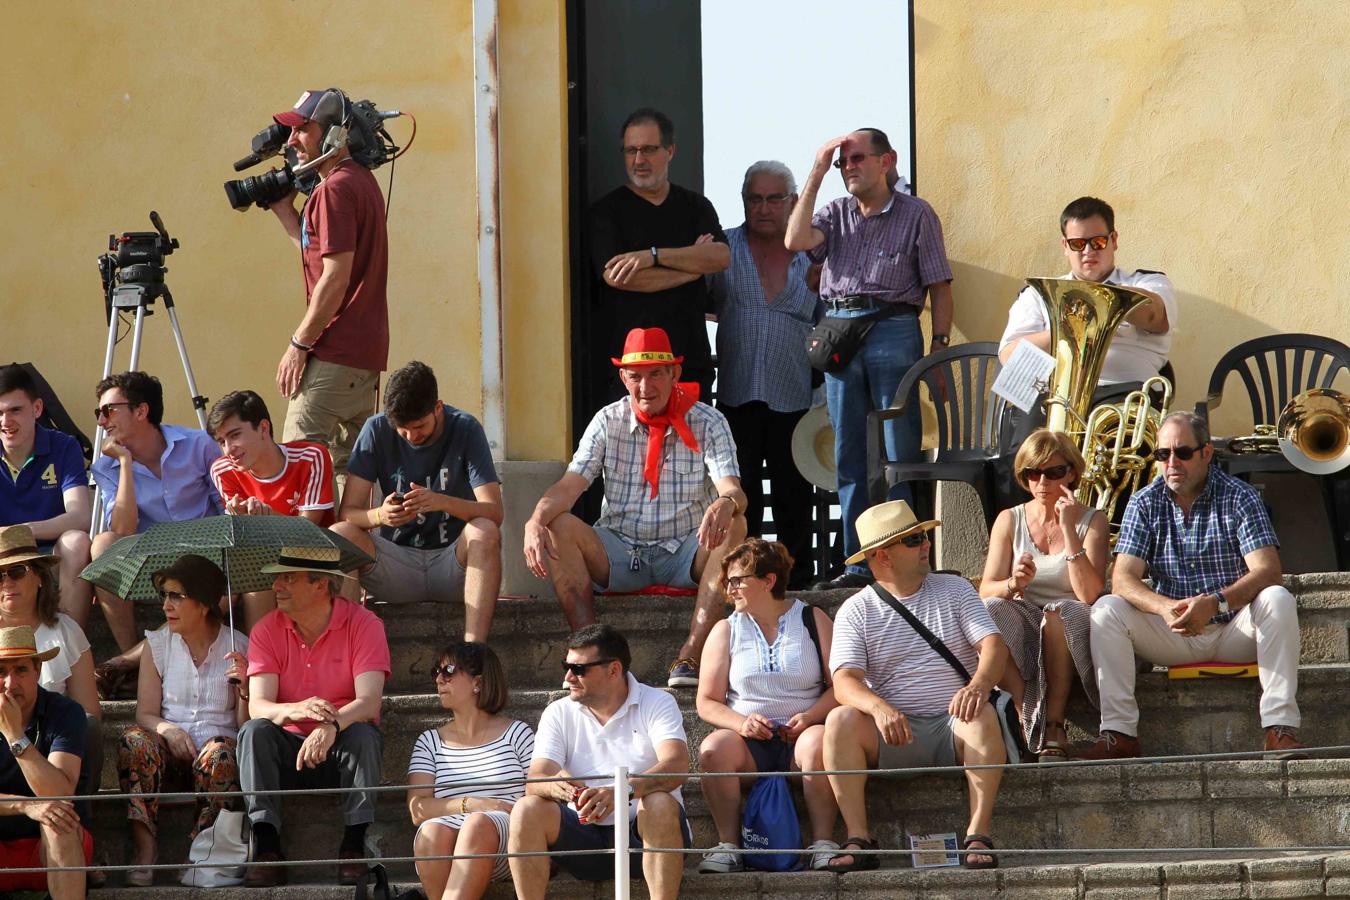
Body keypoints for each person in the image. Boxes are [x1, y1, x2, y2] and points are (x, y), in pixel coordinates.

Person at [523, 327, 747, 688]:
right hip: (619, 550)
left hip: (686, 551)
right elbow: (569, 486)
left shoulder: (709, 420)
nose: (646, 387)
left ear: (674, 374)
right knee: (557, 524)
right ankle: (591, 652)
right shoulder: (606, 420)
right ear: (623, 378)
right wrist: (534, 520)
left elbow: (734, 490)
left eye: (656, 374)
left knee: (736, 523)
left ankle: (691, 654)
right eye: (636, 377)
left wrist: (725, 502)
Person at [1078, 411, 1305, 760]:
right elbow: (1122, 579)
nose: (1172, 462)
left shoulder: (1239, 496)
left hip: (1233, 629)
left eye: (1182, 453)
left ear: (1206, 453)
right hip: (1174, 631)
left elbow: (1268, 571)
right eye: (1162, 454)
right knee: (1107, 609)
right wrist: (1164, 607)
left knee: (1278, 598)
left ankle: (1279, 729)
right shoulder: (1144, 501)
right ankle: (1120, 734)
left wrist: (1215, 604)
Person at [785, 128, 954, 591]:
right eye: (843, 163)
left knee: (900, 450)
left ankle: (904, 561)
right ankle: (859, 565)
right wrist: (818, 170)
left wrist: (938, 347)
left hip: (895, 327)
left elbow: (939, 285)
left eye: (858, 158)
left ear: (887, 161)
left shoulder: (917, 214)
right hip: (841, 329)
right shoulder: (835, 212)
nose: (850, 167)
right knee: (849, 454)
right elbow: (795, 239)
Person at [822, 500, 1007, 871]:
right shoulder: (855, 610)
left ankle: (978, 833)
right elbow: (843, 682)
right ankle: (859, 837)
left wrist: (978, 685)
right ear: (883, 557)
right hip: (891, 733)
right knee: (839, 721)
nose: (926, 545)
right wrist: (878, 707)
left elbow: (993, 646)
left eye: (923, 537)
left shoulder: (954, 588)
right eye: (915, 540)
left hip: (954, 725)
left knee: (982, 713)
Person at [238, 546, 390, 886]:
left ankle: (353, 846)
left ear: (321, 584)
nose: (277, 586)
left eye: (289, 578)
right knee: (254, 732)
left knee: (365, 735)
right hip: (288, 748)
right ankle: (267, 847)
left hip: (340, 744)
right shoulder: (266, 629)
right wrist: (294, 709)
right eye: (277, 578)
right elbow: (258, 705)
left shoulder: (364, 624)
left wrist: (330, 725)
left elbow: (369, 702)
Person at [507, 624, 691, 900]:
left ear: (614, 670)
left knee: (659, 802)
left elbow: (677, 765)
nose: (569, 676)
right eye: (565, 666)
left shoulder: (657, 702)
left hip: (644, 835)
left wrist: (621, 792)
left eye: (579, 669)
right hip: (584, 835)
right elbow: (536, 778)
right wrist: (559, 787)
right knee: (526, 808)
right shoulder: (558, 711)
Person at [710, 162, 823, 590]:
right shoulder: (724, 248)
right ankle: (745, 578)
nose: (763, 207)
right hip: (737, 393)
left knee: (795, 494)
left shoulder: (812, 255)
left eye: (774, 198)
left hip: (794, 394)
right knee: (744, 496)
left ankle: (795, 581)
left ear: (793, 202)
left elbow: (828, 318)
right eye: (754, 198)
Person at [695, 539, 839, 874]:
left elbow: (840, 686)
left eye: (738, 581)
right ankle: (727, 846)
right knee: (713, 749)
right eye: (728, 582)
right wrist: (740, 723)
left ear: (769, 581)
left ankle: (823, 843)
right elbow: (706, 701)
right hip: (747, 744)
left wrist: (811, 716)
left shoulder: (812, 618)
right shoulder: (725, 629)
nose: (730, 590)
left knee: (820, 741)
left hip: (802, 737)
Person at [270, 88, 390, 489]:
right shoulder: (359, 182)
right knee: (345, 483)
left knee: (299, 471)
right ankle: (350, 554)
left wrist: (299, 344)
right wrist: (286, 212)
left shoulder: (333, 189)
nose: (291, 142)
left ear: (336, 134)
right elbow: (323, 260)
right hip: (364, 356)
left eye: (303, 129)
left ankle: (302, 555)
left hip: (333, 353)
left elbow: (335, 278)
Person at [333, 361, 503, 641]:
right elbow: (347, 514)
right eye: (402, 429)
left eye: (420, 426)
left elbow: (494, 511)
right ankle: (345, 650)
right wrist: (380, 516)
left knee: (484, 530)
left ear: (438, 408)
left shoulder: (466, 428)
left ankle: (474, 650)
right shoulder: (375, 430)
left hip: (454, 566)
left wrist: (441, 502)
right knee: (341, 535)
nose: (412, 436)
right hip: (396, 567)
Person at [116, 555, 248, 886]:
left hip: (218, 763)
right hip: (167, 759)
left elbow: (244, 724)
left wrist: (245, 689)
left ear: (204, 604)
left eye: (177, 596)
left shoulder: (239, 646)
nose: (166, 606)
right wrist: (168, 729)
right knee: (135, 739)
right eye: (165, 596)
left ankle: (202, 852)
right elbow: (144, 712)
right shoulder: (157, 645)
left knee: (220, 752)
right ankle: (146, 849)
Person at [979, 430, 1108, 759]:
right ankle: (1025, 708)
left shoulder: (1093, 521)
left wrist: (1068, 530)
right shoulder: (1010, 520)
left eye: (1053, 473)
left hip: (1073, 617)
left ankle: (1053, 721)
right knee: (991, 608)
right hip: (1027, 615)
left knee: (1058, 612)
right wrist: (1014, 584)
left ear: (1071, 473)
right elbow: (986, 588)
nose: (1042, 482)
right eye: (1032, 474)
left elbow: (1090, 593)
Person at [587, 107, 730, 399]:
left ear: (670, 151)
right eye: (631, 151)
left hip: (689, 367)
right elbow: (620, 278)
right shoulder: (606, 213)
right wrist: (693, 266)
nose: (639, 160)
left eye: (649, 149)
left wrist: (651, 257)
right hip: (633, 377)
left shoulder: (696, 206)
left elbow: (720, 257)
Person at [87, 371, 222, 656]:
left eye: (109, 411)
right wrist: (124, 463)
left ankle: (129, 660)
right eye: (99, 412)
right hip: (152, 563)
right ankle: (129, 654)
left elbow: (226, 505)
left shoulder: (199, 445)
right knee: (102, 544)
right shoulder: (105, 467)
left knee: (226, 590)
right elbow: (123, 530)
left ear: (141, 410)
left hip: (207, 554)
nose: (101, 421)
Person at [998, 196, 1175, 387]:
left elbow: (1155, 318)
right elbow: (1009, 357)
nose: (1088, 251)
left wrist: (1106, 301)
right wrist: (1068, 328)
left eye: (1098, 242)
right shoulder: (1038, 293)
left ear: (1113, 240)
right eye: (1078, 244)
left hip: (1124, 395)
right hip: (1053, 395)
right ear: (1066, 246)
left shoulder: (1148, 281)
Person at [407, 641, 534, 899]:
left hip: (507, 840)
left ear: (478, 682)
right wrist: (472, 803)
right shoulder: (429, 741)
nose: (440, 680)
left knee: (478, 824)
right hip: (453, 835)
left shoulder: (517, 733)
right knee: (431, 831)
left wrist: (485, 812)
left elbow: (539, 792)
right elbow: (417, 809)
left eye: (449, 671)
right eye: (436, 672)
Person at [209, 389, 336, 630]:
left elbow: (309, 534)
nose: (228, 449)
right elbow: (242, 541)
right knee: (211, 594)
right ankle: (261, 660)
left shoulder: (311, 456)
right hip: (260, 563)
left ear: (264, 428)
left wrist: (266, 517)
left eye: (235, 435)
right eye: (221, 441)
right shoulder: (222, 470)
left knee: (254, 576)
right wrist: (242, 520)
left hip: (312, 560)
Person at [0, 526, 102, 811]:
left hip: (54, 748)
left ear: (39, 577)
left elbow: (89, 710)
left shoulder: (66, 631)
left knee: (89, 725)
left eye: (17, 571)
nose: (7, 582)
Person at [0, 625, 92, 900]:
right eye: (0, 672)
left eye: (21, 670)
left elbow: (60, 791)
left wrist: (14, 734)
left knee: (57, 816)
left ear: (38, 670)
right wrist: (27, 806)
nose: (9, 684)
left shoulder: (65, 713)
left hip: (52, 850)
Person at [0, 364, 93, 621]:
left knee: (77, 541)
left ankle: (70, 649)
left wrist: (23, 532)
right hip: (2, 558)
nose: (5, 422)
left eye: (15, 410)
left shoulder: (64, 446)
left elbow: (80, 516)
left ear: (37, 409)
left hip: (49, 556)